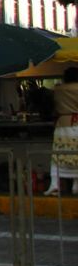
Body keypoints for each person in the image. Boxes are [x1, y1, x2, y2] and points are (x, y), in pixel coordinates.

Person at [45, 67, 78, 196]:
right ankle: (76, 185)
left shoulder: (58, 89)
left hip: (62, 125)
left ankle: (55, 184)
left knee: (58, 156)